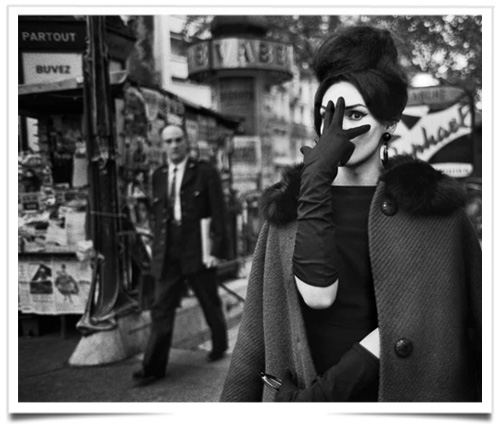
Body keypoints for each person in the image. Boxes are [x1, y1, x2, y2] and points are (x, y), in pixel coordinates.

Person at [220, 25, 481, 402]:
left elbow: (483, 330)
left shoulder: (436, 212)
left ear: (389, 122)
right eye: (327, 114)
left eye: (354, 113)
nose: (338, 130)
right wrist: (313, 182)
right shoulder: (286, 214)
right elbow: (255, 340)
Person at [132, 124, 229, 387]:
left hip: (197, 251)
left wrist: (216, 251)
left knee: (210, 302)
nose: (173, 146)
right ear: (162, 145)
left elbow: (219, 212)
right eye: (168, 141)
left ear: (186, 142)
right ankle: (153, 367)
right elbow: (156, 216)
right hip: (168, 254)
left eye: (178, 140)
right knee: (161, 309)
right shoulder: (159, 176)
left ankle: (220, 345)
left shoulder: (205, 172)